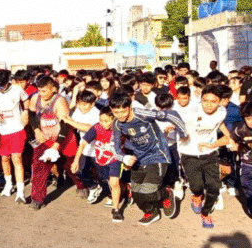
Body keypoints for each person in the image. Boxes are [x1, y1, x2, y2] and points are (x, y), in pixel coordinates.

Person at [110, 91, 188, 226]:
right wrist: (124, 157)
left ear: (129, 107)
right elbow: (114, 147)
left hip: (157, 155)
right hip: (138, 158)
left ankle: (166, 193)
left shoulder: (142, 114)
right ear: (112, 110)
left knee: (148, 191)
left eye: (124, 110)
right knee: (136, 192)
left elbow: (172, 115)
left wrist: (183, 133)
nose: (121, 115)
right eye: (117, 112)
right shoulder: (117, 124)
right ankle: (152, 212)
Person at [178, 85, 232, 229]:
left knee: (214, 186)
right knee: (197, 186)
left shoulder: (222, 111)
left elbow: (218, 123)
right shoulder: (190, 112)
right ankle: (196, 195)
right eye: (205, 100)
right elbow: (177, 125)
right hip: (189, 153)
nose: (208, 104)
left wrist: (221, 139)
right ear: (201, 99)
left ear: (220, 101)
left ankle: (206, 213)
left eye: (213, 101)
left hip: (210, 154)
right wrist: (182, 135)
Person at [27, 75, 85, 210]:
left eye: (44, 91)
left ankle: (81, 185)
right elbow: (30, 114)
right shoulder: (35, 98)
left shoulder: (60, 101)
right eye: (39, 90)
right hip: (44, 138)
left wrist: (57, 145)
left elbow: (65, 124)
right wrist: (36, 130)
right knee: (39, 168)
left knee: (71, 167)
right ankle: (37, 198)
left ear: (53, 89)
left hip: (63, 138)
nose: (42, 94)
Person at [70, 107, 126, 222]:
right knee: (104, 180)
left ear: (114, 120)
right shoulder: (96, 128)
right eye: (101, 120)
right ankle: (124, 189)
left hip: (115, 159)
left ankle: (116, 209)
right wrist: (76, 160)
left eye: (106, 121)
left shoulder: (120, 128)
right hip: (100, 160)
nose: (103, 123)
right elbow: (83, 144)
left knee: (114, 182)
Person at [0, 70, 28, 202]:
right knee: (5, 158)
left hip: (16, 129)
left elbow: (26, 100)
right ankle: (9, 184)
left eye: (2, 85)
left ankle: (20, 192)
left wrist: (25, 112)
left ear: (8, 80)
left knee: (17, 158)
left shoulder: (17, 89)